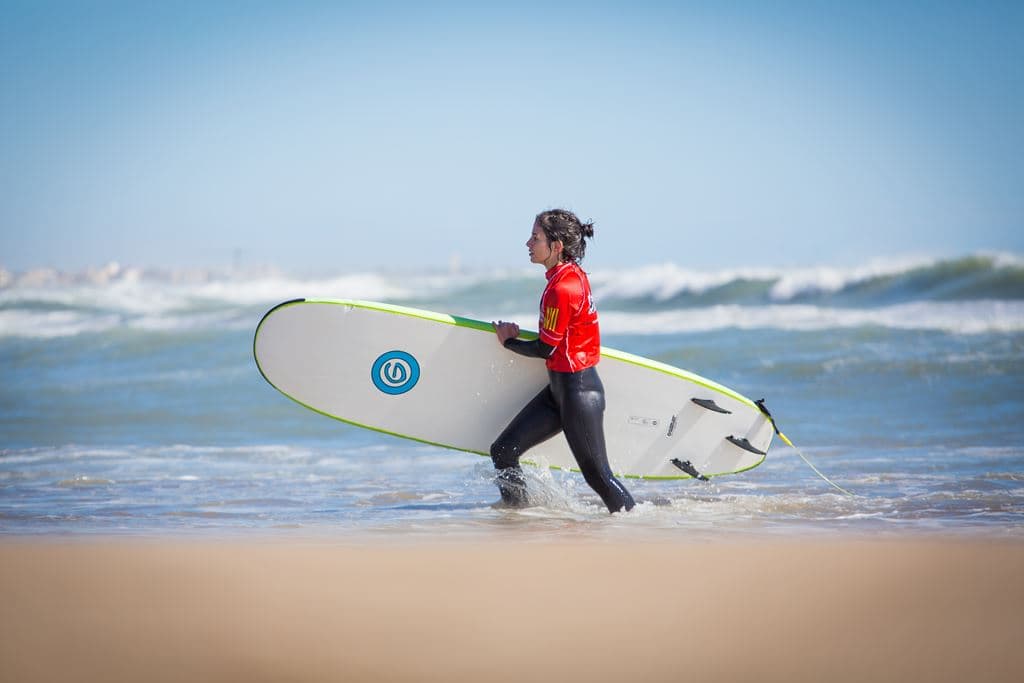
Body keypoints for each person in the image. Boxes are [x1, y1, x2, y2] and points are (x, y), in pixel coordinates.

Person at [490, 209, 636, 513]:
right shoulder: (567, 276)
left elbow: (546, 348)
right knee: (503, 451)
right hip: (559, 391)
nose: (528, 243)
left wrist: (509, 341)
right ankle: (515, 515)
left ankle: (634, 524)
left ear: (557, 246)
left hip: (577, 391)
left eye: (535, 237)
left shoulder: (563, 287)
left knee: (598, 477)